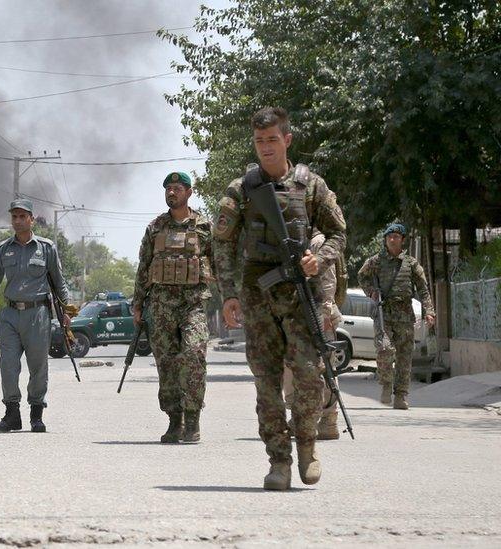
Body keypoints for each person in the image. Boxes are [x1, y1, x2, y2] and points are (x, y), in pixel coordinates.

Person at [213, 107, 347, 491]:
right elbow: (222, 246)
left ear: (287, 139)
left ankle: (306, 445)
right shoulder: (242, 189)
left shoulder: (312, 185)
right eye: (259, 141)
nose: (266, 148)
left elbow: (338, 232)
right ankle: (279, 463)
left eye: (272, 139)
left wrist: (316, 260)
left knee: (308, 375)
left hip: (299, 295)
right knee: (266, 383)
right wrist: (229, 294)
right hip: (258, 296)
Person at [132, 171, 214, 444]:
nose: (171, 192)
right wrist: (138, 304)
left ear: (189, 192)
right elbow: (143, 266)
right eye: (168, 188)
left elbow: (219, 261)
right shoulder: (155, 227)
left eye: (177, 188)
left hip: (193, 304)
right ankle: (174, 421)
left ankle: (193, 420)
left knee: (193, 355)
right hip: (161, 306)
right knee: (166, 362)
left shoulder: (204, 226)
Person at [0, 199, 71, 433]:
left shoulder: (46, 248)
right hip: (10, 315)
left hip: (38, 314)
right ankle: (12, 414)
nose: (18, 221)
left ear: (32, 219)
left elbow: (59, 283)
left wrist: (67, 310)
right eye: (14, 217)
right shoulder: (2, 249)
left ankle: (36, 415)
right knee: (8, 366)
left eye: (23, 216)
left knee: (38, 366)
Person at [357, 223, 435, 410]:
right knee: (384, 349)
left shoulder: (411, 264)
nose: (392, 239)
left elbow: (423, 289)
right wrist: (371, 292)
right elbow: (362, 276)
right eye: (389, 236)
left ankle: (400, 395)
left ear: (402, 240)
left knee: (404, 357)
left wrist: (429, 311)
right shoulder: (376, 261)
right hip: (384, 313)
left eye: (396, 237)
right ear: (385, 239)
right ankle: (386, 384)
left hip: (405, 315)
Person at [283, 232, 344, 440]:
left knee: (324, 365)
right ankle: (298, 414)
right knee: (291, 365)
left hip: (319, 312)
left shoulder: (317, 241)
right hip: (295, 311)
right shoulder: (289, 234)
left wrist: (326, 312)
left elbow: (328, 279)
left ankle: (328, 418)